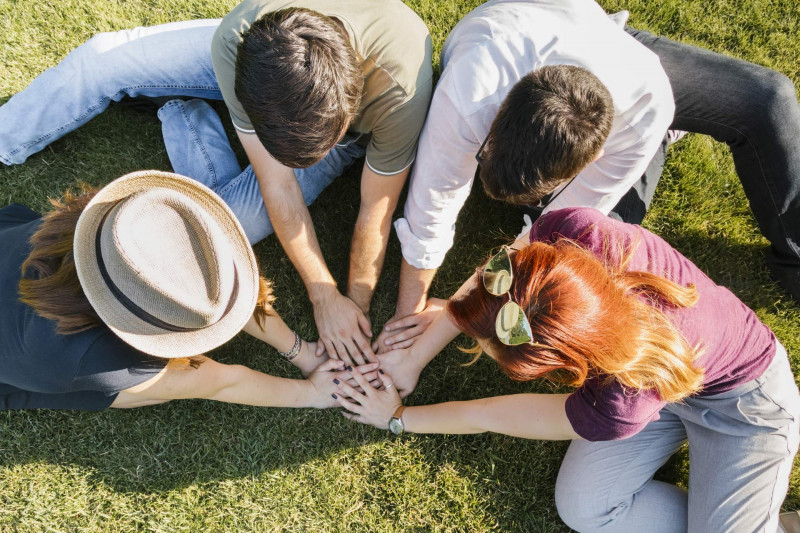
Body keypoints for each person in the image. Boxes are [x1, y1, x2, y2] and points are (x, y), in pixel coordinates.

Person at [0, 0, 434, 367]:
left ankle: (183, 112)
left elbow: (375, 211)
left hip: (341, 115)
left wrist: (347, 302)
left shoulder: (400, 95)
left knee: (222, 232)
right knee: (99, 61)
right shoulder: (241, 40)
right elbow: (277, 184)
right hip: (269, 68)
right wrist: (321, 298)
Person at [340, 207, 800, 532]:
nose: (473, 343)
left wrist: (398, 418)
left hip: (743, 408)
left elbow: (492, 415)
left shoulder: (617, 404)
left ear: (558, 363)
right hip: (663, 382)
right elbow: (500, 269)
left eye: (484, 346)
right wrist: (430, 342)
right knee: (584, 509)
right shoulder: (574, 231)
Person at [378, 0, 800, 352]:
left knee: (768, 99)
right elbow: (433, 205)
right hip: (536, 30)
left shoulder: (643, 111)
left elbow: (550, 230)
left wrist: (456, 310)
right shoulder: (471, 93)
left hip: (625, 65)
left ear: (595, 154)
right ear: (501, 115)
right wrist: (408, 315)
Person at [0, 170, 377, 410]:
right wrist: (311, 394)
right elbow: (220, 382)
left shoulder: (118, 224)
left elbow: (220, 289)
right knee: (134, 391)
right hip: (23, 365)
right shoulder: (106, 362)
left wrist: (302, 352)